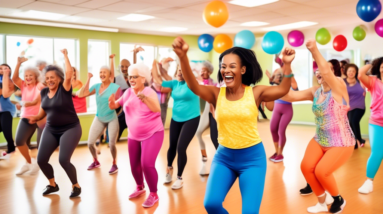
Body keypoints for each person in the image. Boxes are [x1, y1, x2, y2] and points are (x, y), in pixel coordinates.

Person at [171, 37, 295, 213]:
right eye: (223, 66)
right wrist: (183, 57)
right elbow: (193, 86)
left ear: (243, 69)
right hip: (224, 157)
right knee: (211, 204)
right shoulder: (216, 94)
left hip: (252, 159)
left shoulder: (255, 92)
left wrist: (287, 65)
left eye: (232, 66)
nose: (226, 70)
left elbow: (282, 89)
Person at [283, 40, 354, 213]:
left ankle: (338, 199)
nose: (320, 73)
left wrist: (314, 50)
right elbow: (290, 96)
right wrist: (287, 66)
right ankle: (322, 202)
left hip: (341, 142)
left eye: (325, 70)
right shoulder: (315, 91)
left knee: (322, 172)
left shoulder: (339, 88)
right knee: (306, 167)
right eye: (318, 71)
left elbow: (326, 71)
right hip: (319, 139)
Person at [109, 63, 163, 208]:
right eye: (130, 77)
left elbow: (157, 109)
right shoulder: (127, 93)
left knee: (146, 164)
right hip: (133, 135)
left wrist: (144, 98)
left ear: (143, 78)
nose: (131, 79)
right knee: (134, 165)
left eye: (134, 77)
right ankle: (140, 187)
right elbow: (117, 105)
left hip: (153, 133)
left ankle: (153, 194)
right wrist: (112, 104)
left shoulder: (149, 92)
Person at [29, 49, 82, 198]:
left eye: (52, 77)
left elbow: (69, 73)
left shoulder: (64, 89)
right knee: (41, 160)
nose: (49, 80)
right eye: (47, 78)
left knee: (63, 159)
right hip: (51, 129)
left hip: (70, 128)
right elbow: (42, 112)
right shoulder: (44, 92)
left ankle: (76, 186)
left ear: (59, 78)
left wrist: (65, 55)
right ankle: (52, 185)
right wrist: (34, 117)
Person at [152, 60, 200, 190]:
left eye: (183, 71)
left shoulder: (192, 84)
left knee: (181, 147)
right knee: (172, 146)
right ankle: (169, 169)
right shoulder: (174, 83)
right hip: (176, 118)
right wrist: (156, 64)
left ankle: (179, 178)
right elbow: (157, 79)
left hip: (192, 118)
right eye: (178, 70)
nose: (180, 73)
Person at [78, 54, 121, 174]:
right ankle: (95, 161)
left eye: (104, 72)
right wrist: (88, 79)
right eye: (100, 72)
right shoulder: (96, 87)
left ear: (109, 74)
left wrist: (112, 60)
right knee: (90, 143)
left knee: (112, 144)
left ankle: (114, 163)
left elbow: (112, 75)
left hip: (112, 118)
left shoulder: (114, 87)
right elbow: (82, 94)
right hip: (99, 118)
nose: (102, 74)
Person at [4, 57, 45, 175]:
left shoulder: (39, 85)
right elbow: (15, 78)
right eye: (26, 75)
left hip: (40, 118)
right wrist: (18, 63)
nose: (27, 78)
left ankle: (38, 164)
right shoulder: (23, 85)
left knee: (41, 146)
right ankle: (29, 163)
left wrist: (34, 102)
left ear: (36, 76)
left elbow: (44, 96)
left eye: (30, 75)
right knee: (19, 142)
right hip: (26, 117)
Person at [357, 58, 383, 195]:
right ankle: (368, 182)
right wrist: (372, 63)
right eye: (382, 66)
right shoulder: (373, 82)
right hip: (377, 122)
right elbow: (360, 74)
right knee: (377, 153)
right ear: (379, 68)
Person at [266, 69, 298, 163]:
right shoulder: (276, 85)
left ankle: (280, 153)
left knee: (281, 131)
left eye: (279, 75)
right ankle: (276, 152)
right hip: (276, 109)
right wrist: (270, 78)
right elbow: (272, 84)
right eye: (276, 75)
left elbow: (295, 87)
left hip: (287, 110)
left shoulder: (290, 84)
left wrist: (289, 74)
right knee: (272, 129)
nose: (277, 76)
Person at [195, 61, 219, 175]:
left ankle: (221, 161)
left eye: (205, 70)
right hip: (204, 113)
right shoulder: (199, 81)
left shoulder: (213, 83)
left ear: (209, 72)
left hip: (212, 111)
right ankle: (204, 159)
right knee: (198, 133)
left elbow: (205, 88)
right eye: (201, 70)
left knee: (215, 138)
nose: (202, 72)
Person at [344, 64, 366, 149]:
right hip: (349, 107)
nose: (351, 72)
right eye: (349, 71)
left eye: (353, 71)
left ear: (356, 72)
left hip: (360, 106)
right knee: (350, 124)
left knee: (353, 121)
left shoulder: (360, 80)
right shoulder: (343, 81)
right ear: (346, 72)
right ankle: (355, 143)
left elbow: (365, 89)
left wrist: (364, 91)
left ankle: (359, 139)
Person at [0, 64, 16, 157]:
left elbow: (4, 94)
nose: (3, 70)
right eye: (1, 68)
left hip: (7, 110)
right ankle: (11, 148)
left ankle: (11, 149)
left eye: (5, 68)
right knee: (4, 129)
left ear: (9, 70)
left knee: (7, 131)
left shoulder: (11, 81)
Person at [152, 58, 173, 125]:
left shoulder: (168, 81)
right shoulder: (153, 80)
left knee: (160, 125)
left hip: (163, 106)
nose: (168, 66)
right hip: (154, 105)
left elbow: (164, 88)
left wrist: (161, 70)